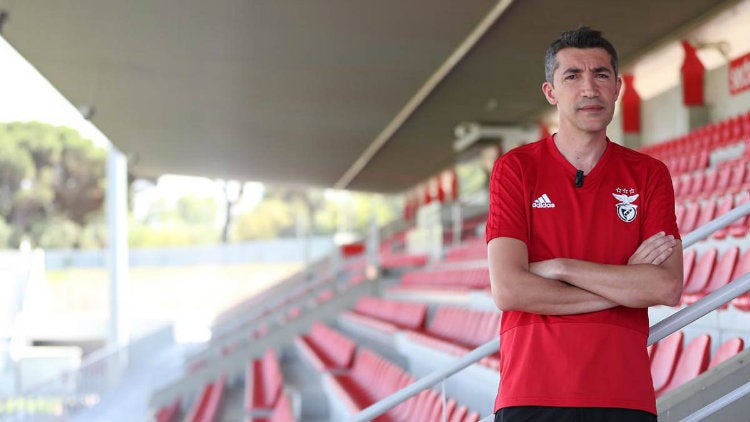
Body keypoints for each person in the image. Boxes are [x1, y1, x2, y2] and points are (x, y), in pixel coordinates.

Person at [486, 27, 684, 422]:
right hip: (532, 390)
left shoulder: (649, 174)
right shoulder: (516, 169)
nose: (589, 87)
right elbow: (509, 290)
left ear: (617, 88)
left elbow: (665, 286)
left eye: (601, 74)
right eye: (572, 76)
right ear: (551, 93)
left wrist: (562, 268)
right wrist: (626, 284)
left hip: (622, 393)